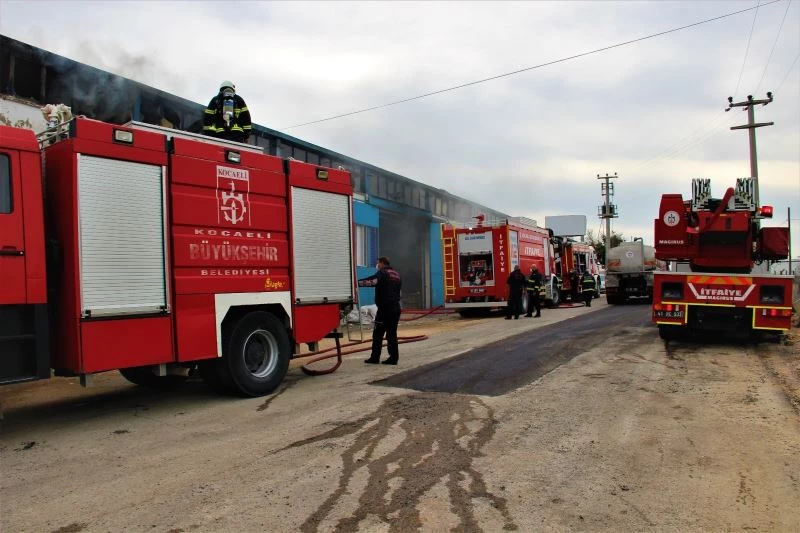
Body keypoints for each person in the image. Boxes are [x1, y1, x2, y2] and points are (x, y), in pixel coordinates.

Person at [358, 256, 402, 365]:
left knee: (377, 334)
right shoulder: (396, 274)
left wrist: (357, 283)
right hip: (395, 308)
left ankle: (375, 357)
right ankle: (393, 357)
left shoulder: (382, 273)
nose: (377, 266)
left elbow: (372, 281)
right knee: (392, 333)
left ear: (382, 263)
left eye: (378, 263)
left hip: (385, 309)